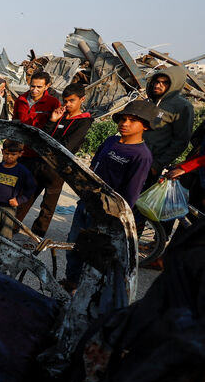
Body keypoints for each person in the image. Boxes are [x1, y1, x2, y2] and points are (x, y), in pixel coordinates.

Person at [62, 101, 157, 293]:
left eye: (132, 120)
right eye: (123, 119)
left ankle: (85, 290)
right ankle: (71, 281)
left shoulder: (142, 155)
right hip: (86, 202)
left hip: (105, 213)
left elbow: (131, 193)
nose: (125, 123)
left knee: (93, 253)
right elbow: (93, 167)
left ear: (145, 126)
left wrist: (115, 218)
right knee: (74, 245)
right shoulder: (111, 141)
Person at [15, 83, 93, 236]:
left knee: (48, 207)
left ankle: (36, 237)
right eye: (65, 101)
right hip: (40, 163)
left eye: (71, 101)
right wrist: (51, 121)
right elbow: (42, 136)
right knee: (25, 198)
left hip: (58, 170)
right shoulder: (58, 115)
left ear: (82, 99)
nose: (67, 104)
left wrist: (48, 142)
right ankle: (11, 227)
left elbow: (67, 146)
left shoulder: (84, 122)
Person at [0, 140, 36, 238]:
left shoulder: (23, 171)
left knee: (5, 234)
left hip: (9, 208)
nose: (9, 156)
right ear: (2, 151)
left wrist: (19, 200)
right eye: (6, 153)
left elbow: (31, 188)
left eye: (13, 154)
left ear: (20, 154)